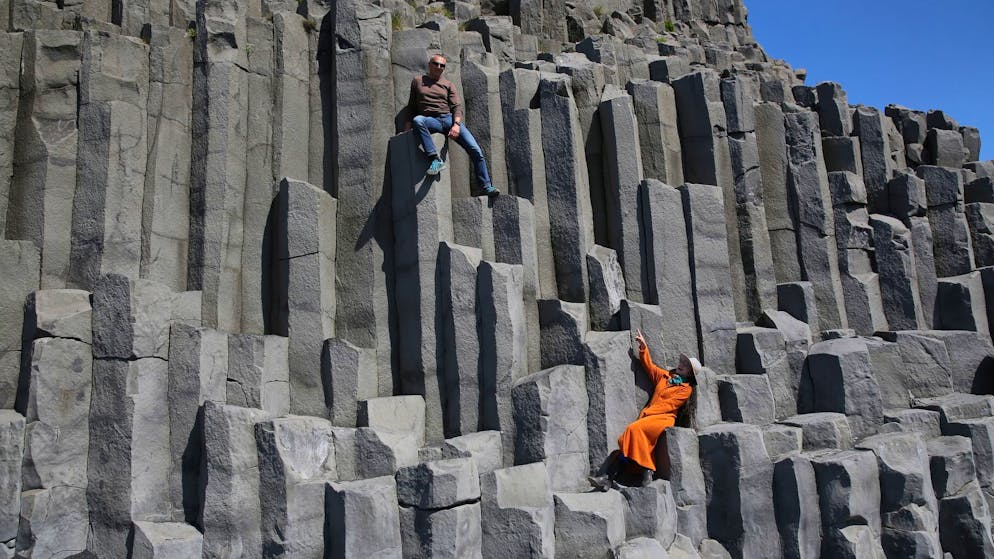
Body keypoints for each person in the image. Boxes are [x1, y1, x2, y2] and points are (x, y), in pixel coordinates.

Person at [589, 329, 695, 490]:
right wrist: (643, 347)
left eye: (686, 365)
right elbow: (650, 367)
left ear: (690, 374)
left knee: (633, 429)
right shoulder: (666, 376)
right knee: (627, 447)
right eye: (682, 362)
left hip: (663, 419)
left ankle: (644, 469)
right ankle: (611, 479)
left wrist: (647, 413)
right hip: (650, 417)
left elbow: (669, 405)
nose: (681, 365)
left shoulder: (686, 389)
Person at [404, 54, 500, 197]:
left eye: (442, 65)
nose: (439, 67)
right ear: (429, 64)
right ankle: (435, 160)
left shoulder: (448, 84)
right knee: (418, 120)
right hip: (431, 121)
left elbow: (456, 107)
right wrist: (406, 129)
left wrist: (456, 125)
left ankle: (486, 186)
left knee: (475, 150)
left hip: (448, 120)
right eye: (436, 64)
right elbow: (411, 107)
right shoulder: (418, 81)